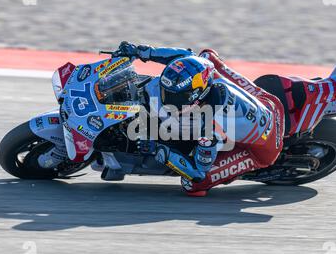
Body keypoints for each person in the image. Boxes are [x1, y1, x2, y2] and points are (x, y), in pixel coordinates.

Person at [112, 42, 285, 197]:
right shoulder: (204, 71)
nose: (165, 98)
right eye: (165, 92)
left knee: (193, 185)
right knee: (206, 56)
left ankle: (251, 163)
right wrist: (141, 52)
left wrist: (159, 149)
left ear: (196, 96)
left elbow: (197, 171)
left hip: (264, 147)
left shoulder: (209, 126)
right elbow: (182, 56)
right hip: (267, 102)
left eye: (174, 97)